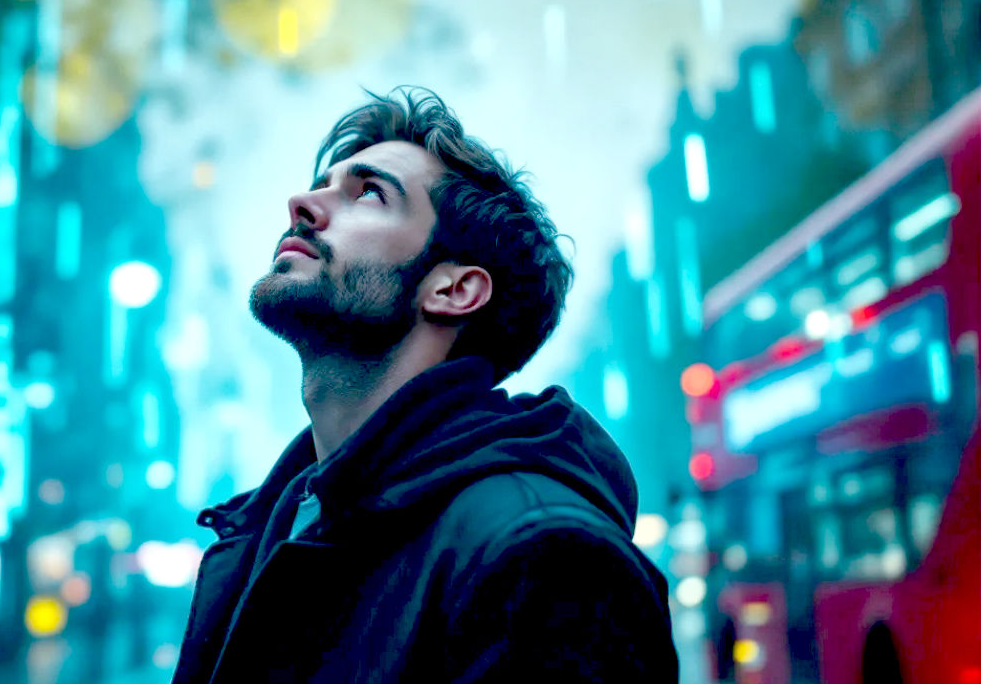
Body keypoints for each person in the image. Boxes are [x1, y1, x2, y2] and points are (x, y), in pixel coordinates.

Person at [172, 87, 679, 683]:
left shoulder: (543, 558)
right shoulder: (273, 525)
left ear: (453, 290)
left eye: (367, 193)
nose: (302, 204)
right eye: (323, 183)